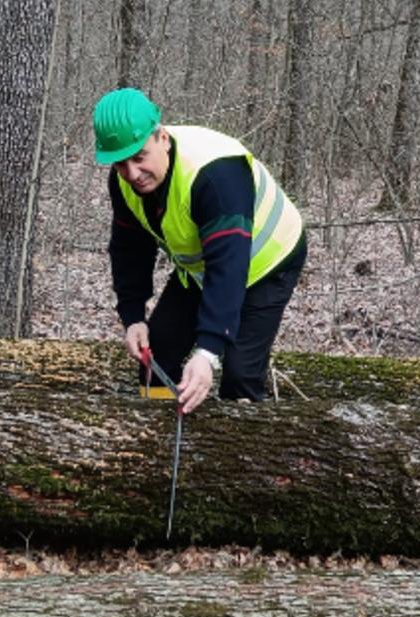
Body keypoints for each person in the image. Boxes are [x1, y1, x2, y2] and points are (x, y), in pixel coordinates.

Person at [93, 87, 306, 414]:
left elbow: (229, 266)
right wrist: (133, 316)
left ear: (161, 137)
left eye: (139, 158)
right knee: (158, 353)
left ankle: (240, 456)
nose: (133, 174)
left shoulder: (215, 175)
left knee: (238, 376)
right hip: (203, 268)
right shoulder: (123, 182)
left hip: (270, 261)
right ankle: (152, 447)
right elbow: (129, 249)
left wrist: (208, 352)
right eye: (121, 164)